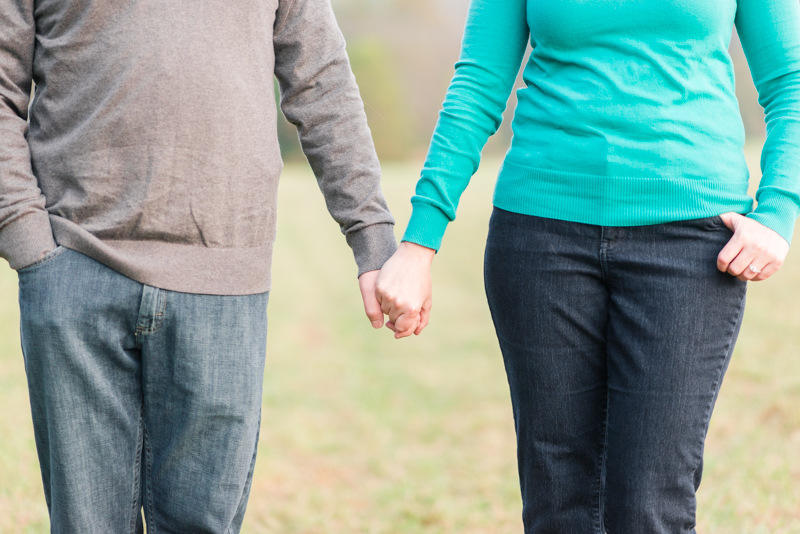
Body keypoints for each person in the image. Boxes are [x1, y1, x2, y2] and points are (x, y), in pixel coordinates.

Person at [375, 0, 800, 531]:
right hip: (540, 239)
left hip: (690, 245)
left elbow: (792, 81)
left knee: (649, 503)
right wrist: (419, 243)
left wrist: (779, 210)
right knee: (558, 501)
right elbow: (478, 85)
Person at [0, 0, 396, 531]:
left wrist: (370, 234)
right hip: (74, 267)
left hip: (224, 281)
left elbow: (320, 78)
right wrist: (26, 239)